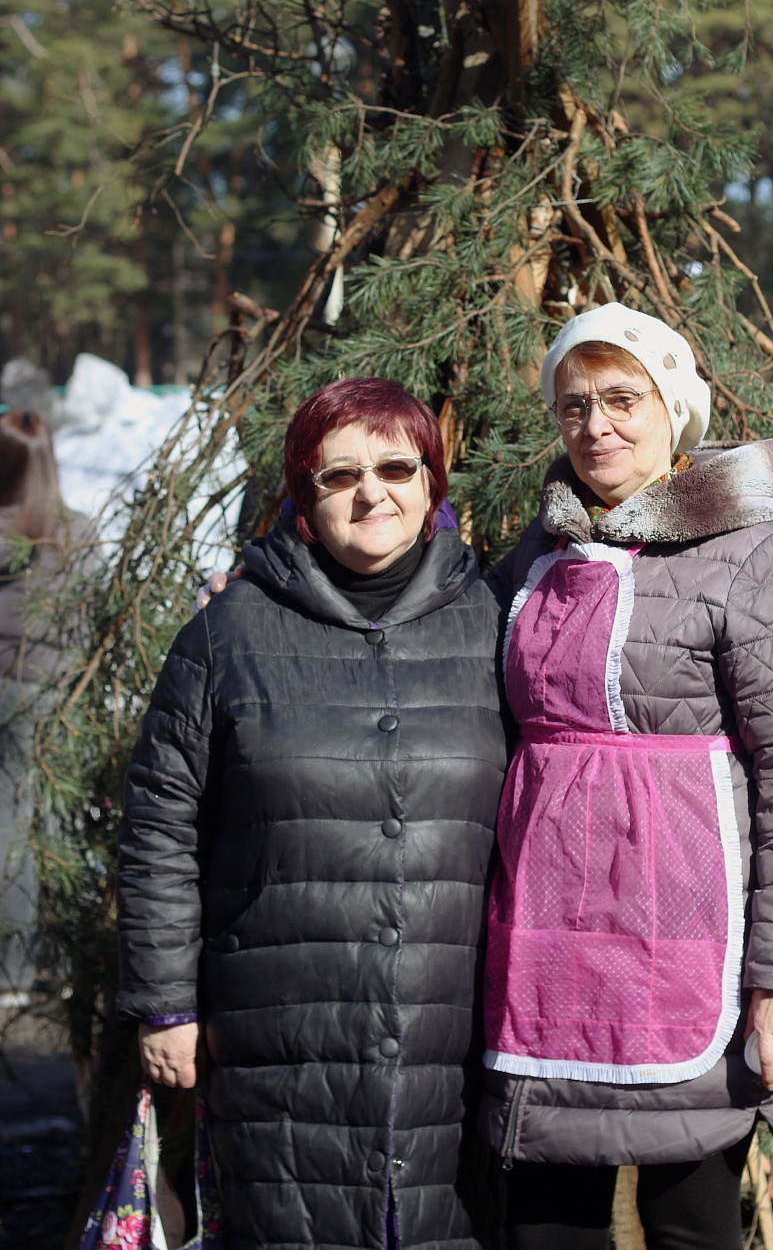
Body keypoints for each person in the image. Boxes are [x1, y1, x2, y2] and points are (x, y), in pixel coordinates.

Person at [479, 304, 773, 1250]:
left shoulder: (750, 550)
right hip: (547, 941)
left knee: (689, 1222)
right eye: (573, 406)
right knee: (546, 1231)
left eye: (621, 399)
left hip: (689, 938)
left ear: (671, 403)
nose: (596, 426)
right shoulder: (535, 553)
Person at [116, 378, 508, 1250]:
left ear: (432, 483)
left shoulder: (495, 623)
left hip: (458, 1046)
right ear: (303, 491)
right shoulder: (225, 637)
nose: (373, 493)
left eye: (397, 467)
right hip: (277, 1043)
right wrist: (166, 1005)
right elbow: (159, 829)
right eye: (340, 476)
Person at [0, 410, 92, 998]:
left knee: (11, 827)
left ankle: (13, 968)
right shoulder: (74, 530)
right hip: (59, 695)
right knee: (49, 827)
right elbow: (89, 619)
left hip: (11, 691)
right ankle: (50, 961)